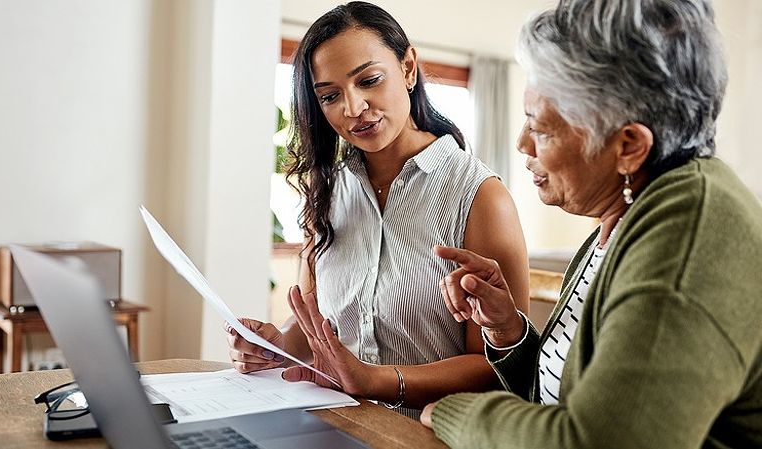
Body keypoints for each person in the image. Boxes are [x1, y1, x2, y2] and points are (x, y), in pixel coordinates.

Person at [419, 0, 762, 446]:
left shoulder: (689, 235)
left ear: (628, 146)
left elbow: (598, 440)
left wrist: (454, 410)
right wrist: (508, 331)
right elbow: (561, 399)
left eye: (539, 127)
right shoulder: (619, 222)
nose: (523, 143)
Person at [224, 1, 530, 419]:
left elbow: (499, 367)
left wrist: (375, 379)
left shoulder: (480, 197)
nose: (353, 108)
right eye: (330, 96)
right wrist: (274, 347)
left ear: (408, 68)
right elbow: (315, 324)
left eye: (368, 80)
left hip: (425, 434)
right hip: (332, 424)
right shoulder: (328, 190)